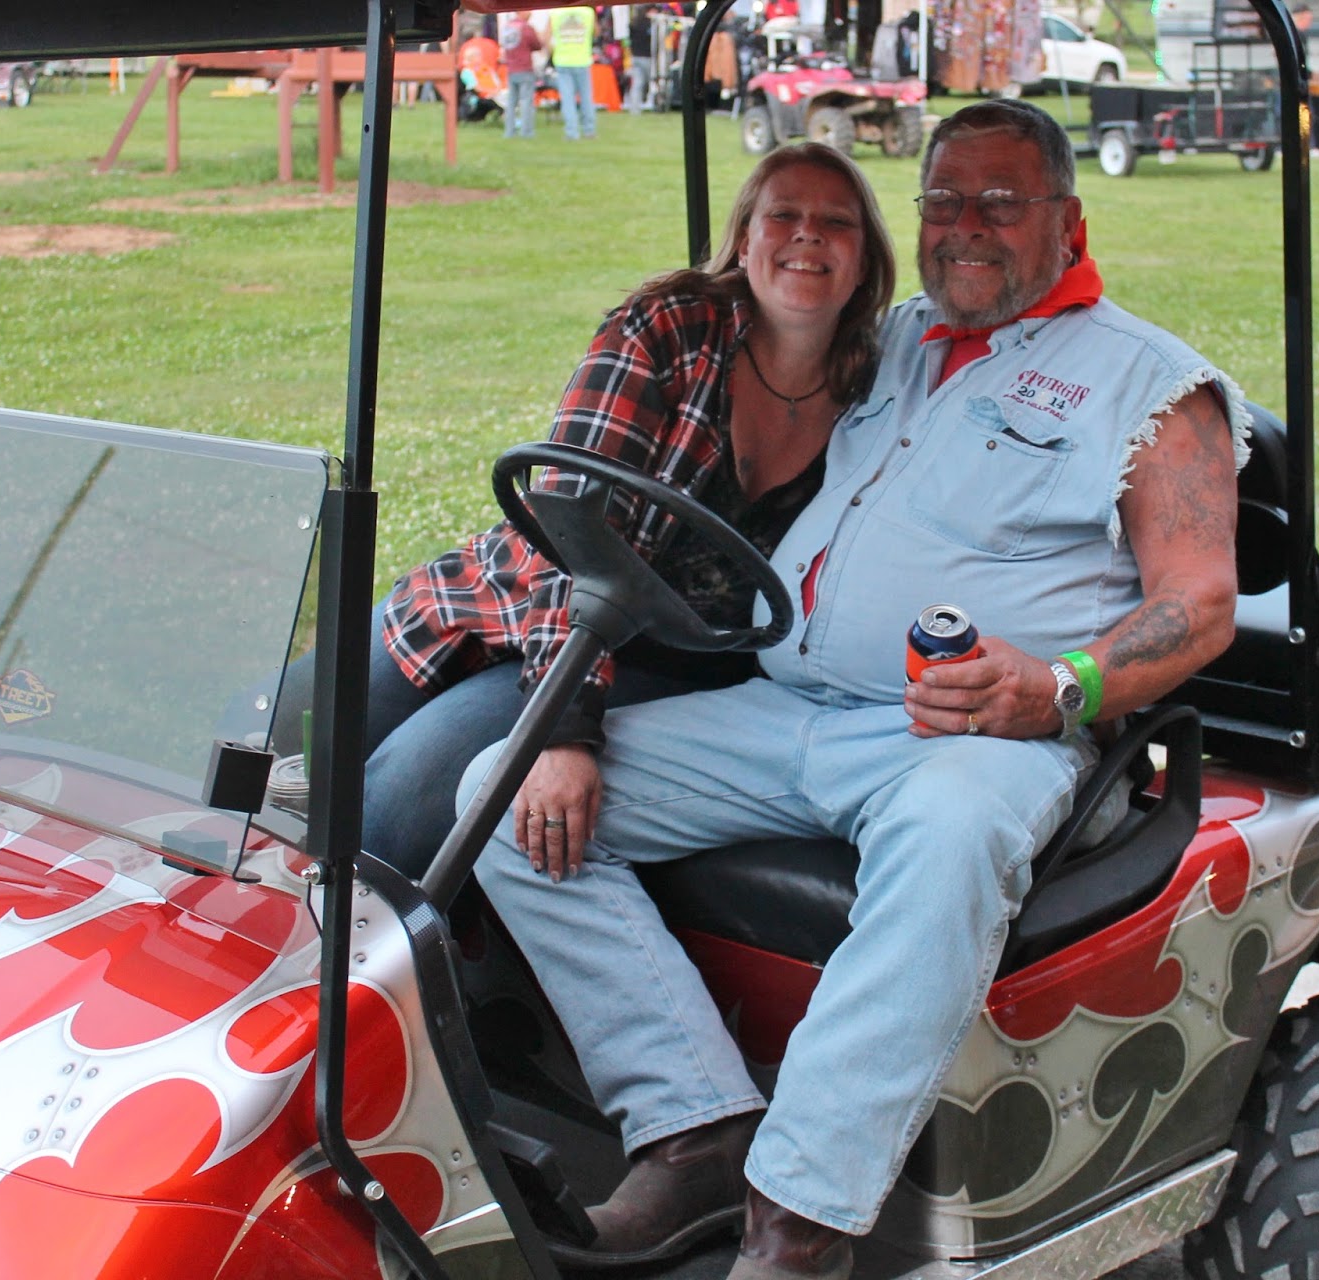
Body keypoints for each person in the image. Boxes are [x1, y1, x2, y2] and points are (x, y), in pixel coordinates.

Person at [471, 98, 1249, 1280]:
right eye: (943, 200)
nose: (965, 227)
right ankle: (691, 1124)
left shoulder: (1147, 384)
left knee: (945, 847)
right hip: (786, 707)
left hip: (974, 735)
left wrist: (1060, 684)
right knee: (503, 798)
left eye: (1002, 201)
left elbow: (1195, 600)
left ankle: (798, 1222)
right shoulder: (889, 344)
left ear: (1068, 218)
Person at [270, 142, 895, 879]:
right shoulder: (668, 329)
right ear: (745, 238)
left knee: (402, 796)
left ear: (866, 261)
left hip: (660, 666)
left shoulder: (879, 391)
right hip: (509, 599)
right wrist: (561, 728)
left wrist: (567, 728)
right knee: (279, 738)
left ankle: (337, 966)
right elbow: (569, 529)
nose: (807, 234)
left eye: (836, 221)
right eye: (782, 214)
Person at [549, 4, 599, 140]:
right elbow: (597, 32)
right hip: (582, 59)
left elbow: (546, 37)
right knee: (586, 98)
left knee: (568, 99)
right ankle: (589, 130)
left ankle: (572, 132)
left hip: (562, 60)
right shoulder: (588, 12)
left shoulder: (556, 12)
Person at [500, 10, 542, 138]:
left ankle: (509, 131)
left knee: (511, 103)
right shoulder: (526, 28)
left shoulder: (507, 27)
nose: (531, 13)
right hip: (525, 68)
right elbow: (537, 45)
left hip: (511, 68)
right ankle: (526, 132)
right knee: (526, 102)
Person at [627, 4, 655, 113]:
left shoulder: (633, 24)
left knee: (637, 84)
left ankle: (634, 109)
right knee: (652, 82)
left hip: (636, 56)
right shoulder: (649, 24)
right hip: (647, 57)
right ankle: (653, 105)